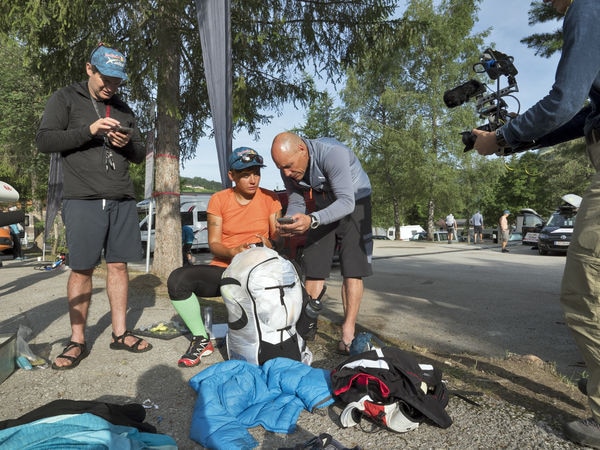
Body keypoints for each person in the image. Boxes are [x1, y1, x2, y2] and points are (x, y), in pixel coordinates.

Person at [473, 0, 600, 444]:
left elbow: (563, 100)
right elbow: (582, 115)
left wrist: (501, 136)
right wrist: (514, 143)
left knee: (586, 291)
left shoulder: (588, 6)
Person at [36, 43, 151, 370]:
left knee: (118, 266)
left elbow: (141, 153)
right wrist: (88, 131)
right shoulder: (66, 98)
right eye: (106, 79)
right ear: (90, 69)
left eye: (117, 81)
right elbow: (45, 140)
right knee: (82, 268)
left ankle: (120, 333)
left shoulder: (124, 108)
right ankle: (77, 340)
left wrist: (126, 144)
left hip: (121, 196)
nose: (111, 86)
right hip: (82, 197)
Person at [167, 147, 282, 367]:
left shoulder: (270, 198)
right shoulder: (219, 199)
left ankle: (279, 337)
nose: (253, 180)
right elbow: (215, 244)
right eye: (246, 174)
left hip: (260, 270)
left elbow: (279, 241)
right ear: (232, 175)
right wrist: (232, 251)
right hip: (227, 269)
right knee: (177, 280)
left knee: (294, 271)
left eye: (256, 173)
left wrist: (269, 243)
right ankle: (201, 338)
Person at [270, 132, 373, 354]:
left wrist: (312, 219)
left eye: (288, 166)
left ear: (302, 150)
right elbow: (297, 199)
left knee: (352, 269)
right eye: (281, 168)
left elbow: (346, 202)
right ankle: (306, 326)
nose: (286, 173)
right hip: (324, 199)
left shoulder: (332, 155)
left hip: (355, 200)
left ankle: (348, 331)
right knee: (314, 265)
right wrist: (292, 220)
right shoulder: (288, 165)